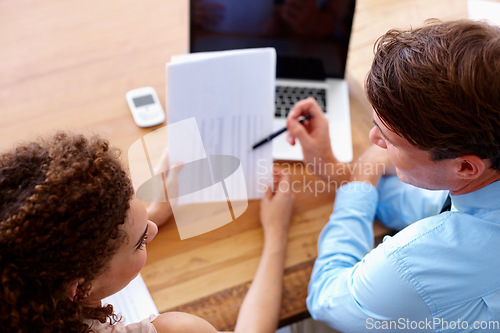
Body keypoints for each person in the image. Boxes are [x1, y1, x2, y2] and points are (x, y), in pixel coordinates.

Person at [285, 19, 500, 332]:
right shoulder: (483, 170)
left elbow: (327, 299)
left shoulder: (412, 266)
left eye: (389, 138)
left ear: (465, 167)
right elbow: (426, 202)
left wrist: (358, 183)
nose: (374, 138)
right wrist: (342, 175)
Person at [0, 132, 294, 332]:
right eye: (141, 240)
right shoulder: (177, 330)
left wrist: (146, 216)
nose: (152, 231)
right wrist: (277, 234)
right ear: (79, 289)